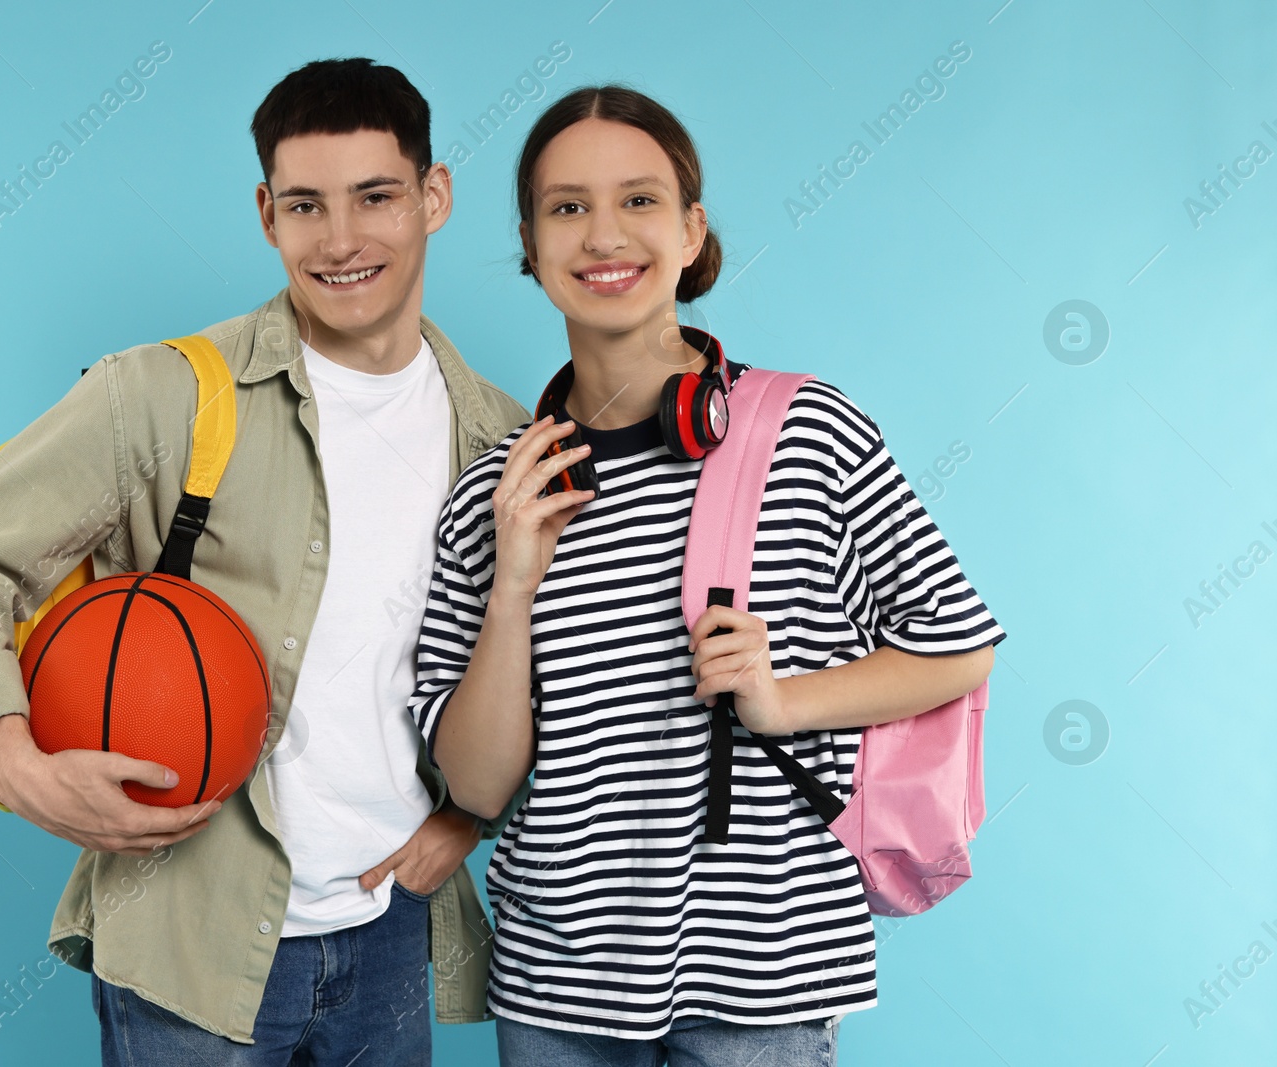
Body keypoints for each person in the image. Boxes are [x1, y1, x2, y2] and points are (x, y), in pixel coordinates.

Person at [0, 58, 529, 1066]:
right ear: (267, 213)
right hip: (193, 929)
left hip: (392, 925)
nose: (343, 238)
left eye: (376, 197)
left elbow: (537, 668)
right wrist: (10, 760)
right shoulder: (164, 396)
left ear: (433, 197)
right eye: (307, 204)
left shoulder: (502, 437)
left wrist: (467, 818)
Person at [409, 85, 1007, 1066]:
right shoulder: (495, 490)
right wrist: (513, 581)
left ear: (690, 230)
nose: (604, 234)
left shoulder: (807, 433)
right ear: (529, 240)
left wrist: (782, 700)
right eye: (567, 207)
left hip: (766, 978)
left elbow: (959, 647)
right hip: (557, 986)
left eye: (638, 200)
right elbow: (475, 780)